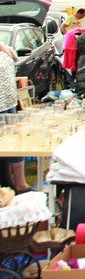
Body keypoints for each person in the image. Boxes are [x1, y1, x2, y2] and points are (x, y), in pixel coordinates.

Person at [0, 42, 30, 193]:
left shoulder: (3, 48)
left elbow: (14, 57)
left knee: (15, 143)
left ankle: (20, 184)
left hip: (9, 102)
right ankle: (8, 187)